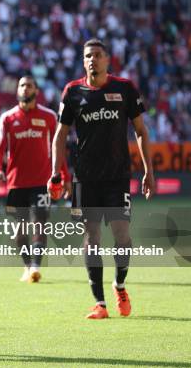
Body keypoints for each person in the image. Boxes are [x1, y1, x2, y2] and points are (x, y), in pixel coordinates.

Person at [51, 39, 155, 319]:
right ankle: (100, 303)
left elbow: (141, 131)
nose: (92, 60)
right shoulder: (72, 92)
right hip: (85, 178)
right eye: (88, 56)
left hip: (118, 177)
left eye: (98, 55)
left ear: (108, 59)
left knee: (122, 237)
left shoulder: (124, 88)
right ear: (83, 61)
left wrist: (149, 171)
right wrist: (56, 172)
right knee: (91, 236)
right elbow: (60, 135)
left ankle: (119, 285)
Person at [0, 75, 71, 283]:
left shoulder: (49, 116)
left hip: (42, 182)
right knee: (20, 232)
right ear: (17, 90)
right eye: (22, 85)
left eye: (29, 86)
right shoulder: (7, 118)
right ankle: (27, 266)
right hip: (16, 182)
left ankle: (35, 266)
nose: (25, 89)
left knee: (40, 224)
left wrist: (64, 176)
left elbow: (58, 148)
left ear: (36, 90)